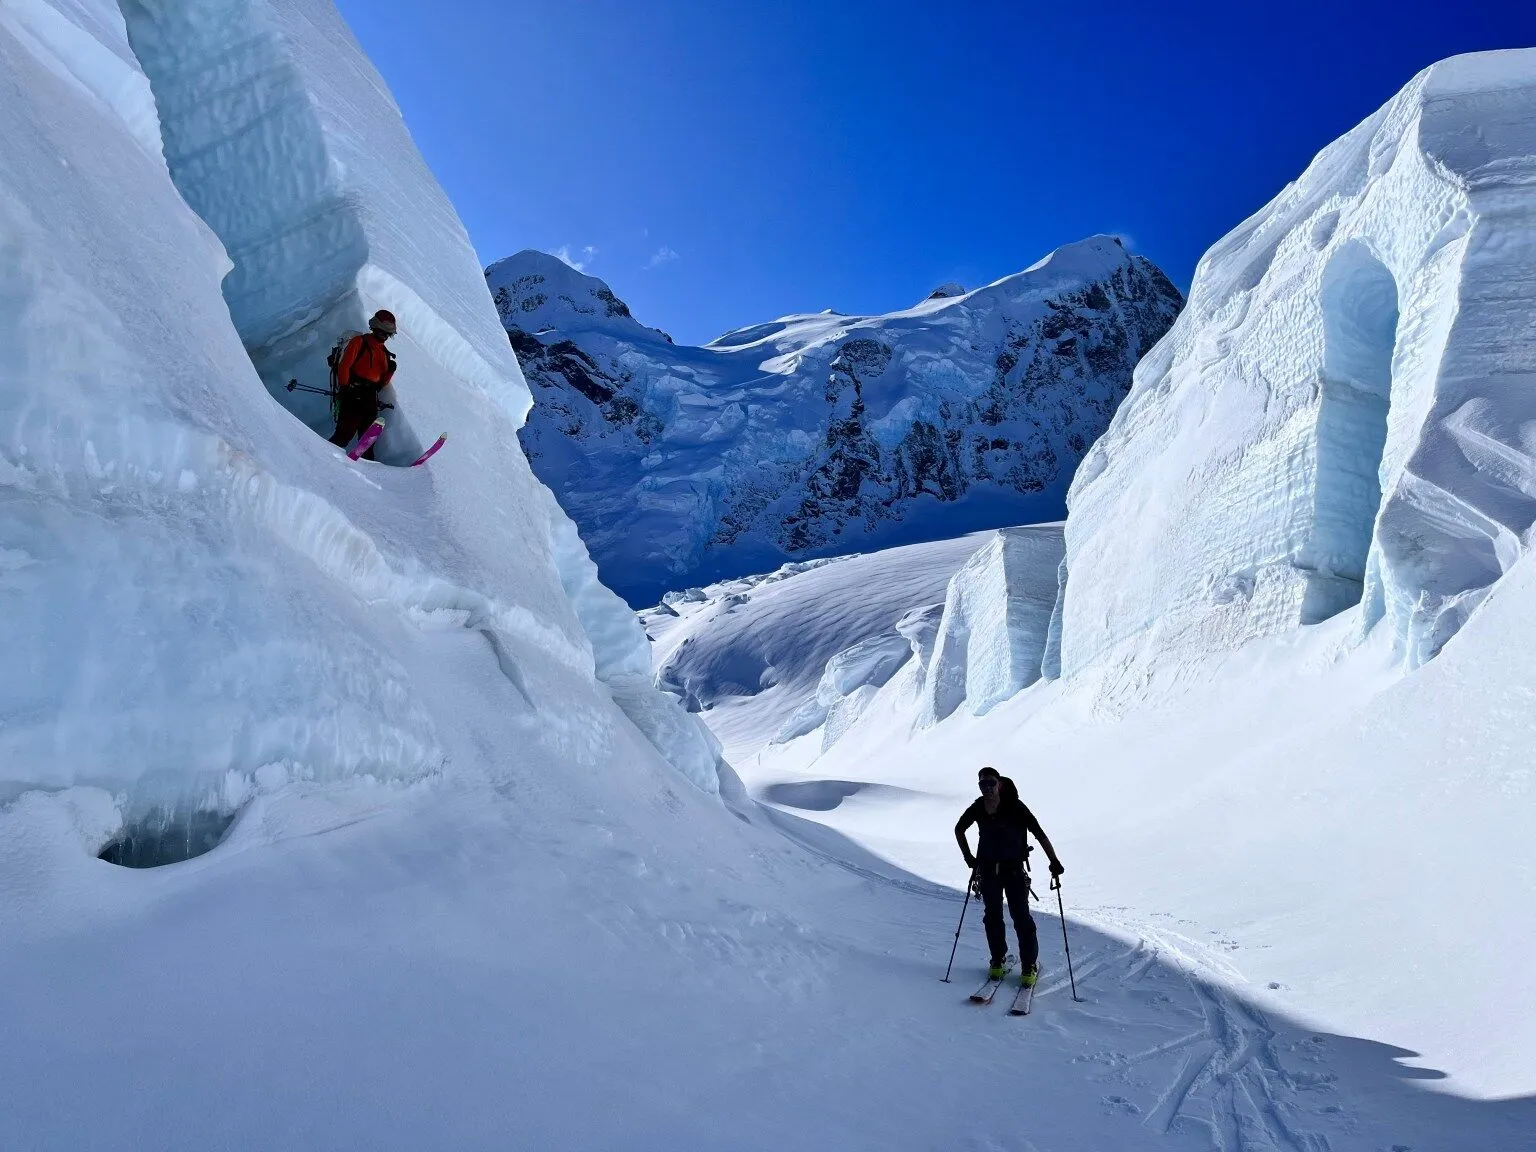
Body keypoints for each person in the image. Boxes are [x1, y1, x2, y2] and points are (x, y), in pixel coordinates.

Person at [954, 765, 1064, 985]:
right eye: (983, 784)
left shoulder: (1015, 807)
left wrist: (1054, 861)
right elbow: (959, 829)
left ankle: (1028, 965)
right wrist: (969, 860)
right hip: (988, 873)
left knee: (1020, 918)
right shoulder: (978, 807)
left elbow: (1039, 833)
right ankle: (997, 960)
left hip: (1012, 871)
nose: (987, 788)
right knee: (993, 917)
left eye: (991, 783)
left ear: (999, 784)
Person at [328, 310, 398, 460]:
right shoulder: (359, 342)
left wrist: (390, 371)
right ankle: (324, 457)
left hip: (369, 396)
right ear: (375, 328)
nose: (384, 337)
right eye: (382, 332)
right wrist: (345, 388)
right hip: (352, 391)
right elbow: (344, 366)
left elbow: (381, 382)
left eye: (387, 334)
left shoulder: (384, 353)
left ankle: (368, 470)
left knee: (367, 440)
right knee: (345, 432)